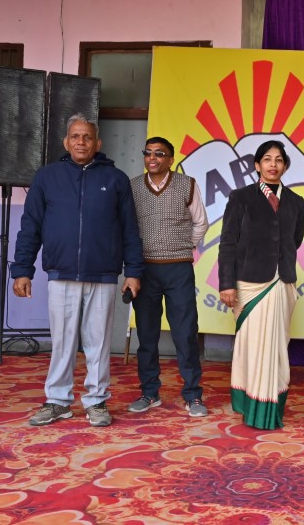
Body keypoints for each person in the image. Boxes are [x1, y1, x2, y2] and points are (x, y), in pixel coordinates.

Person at [11, 113, 143, 428]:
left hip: (103, 275)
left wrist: (133, 271)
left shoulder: (116, 179)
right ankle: (58, 401)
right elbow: (30, 226)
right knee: (63, 342)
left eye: (87, 137)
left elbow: (130, 229)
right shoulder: (47, 177)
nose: (81, 142)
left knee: (98, 342)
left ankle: (96, 401)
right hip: (61, 274)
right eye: (75, 136)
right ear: (66, 142)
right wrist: (22, 270)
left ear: (98, 143)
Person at [218, 140, 304, 429]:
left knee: (277, 348)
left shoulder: (295, 202)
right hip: (249, 284)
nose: (273, 165)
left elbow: (295, 240)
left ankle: (270, 407)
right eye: (267, 159)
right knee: (253, 347)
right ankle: (251, 404)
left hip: (282, 282)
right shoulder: (241, 197)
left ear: (285, 166)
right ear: (257, 165)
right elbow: (228, 243)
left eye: (278, 160)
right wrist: (227, 284)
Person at [128, 137, 209, 417]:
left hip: (178, 269)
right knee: (147, 335)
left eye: (160, 154)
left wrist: (184, 246)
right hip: (144, 270)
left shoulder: (187, 185)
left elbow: (200, 222)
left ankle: (193, 395)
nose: (153, 158)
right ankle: (149, 392)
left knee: (185, 333)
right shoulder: (133, 187)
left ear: (171, 159)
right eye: (148, 153)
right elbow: (128, 226)